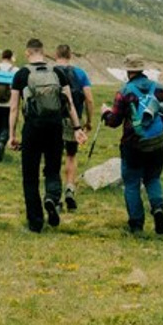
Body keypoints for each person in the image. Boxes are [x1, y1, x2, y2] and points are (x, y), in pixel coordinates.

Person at [8, 39, 87, 232]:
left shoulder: (22, 74)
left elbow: (14, 108)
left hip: (32, 129)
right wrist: (77, 128)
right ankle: (51, 198)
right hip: (55, 127)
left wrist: (12, 135)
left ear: (28, 53)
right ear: (43, 52)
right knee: (52, 169)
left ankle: (35, 222)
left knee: (30, 176)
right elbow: (68, 102)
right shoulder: (57, 72)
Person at [103, 55, 163, 234]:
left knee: (132, 183)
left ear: (128, 71)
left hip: (132, 145)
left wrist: (105, 114)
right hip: (156, 143)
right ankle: (158, 209)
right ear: (142, 69)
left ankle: (136, 224)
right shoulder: (160, 89)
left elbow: (114, 121)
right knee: (153, 178)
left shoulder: (124, 92)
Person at [54, 44, 94, 211]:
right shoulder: (80, 73)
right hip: (74, 119)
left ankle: (54, 194)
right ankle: (70, 187)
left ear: (56, 55)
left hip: (53, 120)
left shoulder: (50, 72)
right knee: (71, 155)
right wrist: (88, 121)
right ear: (70, 55)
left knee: (53, 157)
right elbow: (89, 99)